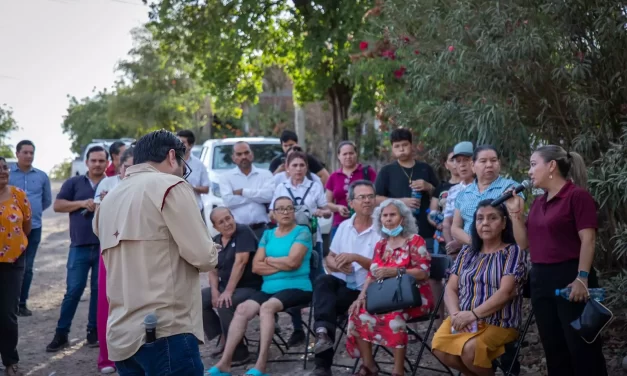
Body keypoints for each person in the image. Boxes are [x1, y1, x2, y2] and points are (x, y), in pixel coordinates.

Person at [93, 130, 218, 375]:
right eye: (183, 165)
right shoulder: (170, 184)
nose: (183, 171)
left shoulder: (108, 200)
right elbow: (204, 257)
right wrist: (212, 248)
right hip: (166, 330)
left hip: (121, 335)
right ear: (173, 156)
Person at [506, 145, 607, 376]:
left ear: (551, 166)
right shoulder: (539, 202)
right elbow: (524, 244)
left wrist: (582, 278)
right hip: (541, 279)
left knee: (581, 348)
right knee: (553, 348)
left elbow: (588, 239)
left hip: (570, 275)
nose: (529, 171)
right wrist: (515, 215)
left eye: (533, 164)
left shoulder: (577, 196)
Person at [207, 196, 313, 376]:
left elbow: (294, 263)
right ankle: (225, 363)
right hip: (268, 289)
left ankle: (260, 365)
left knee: (267, 308)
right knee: (241, 309)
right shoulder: (268, 234)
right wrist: (282, 264)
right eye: (281, 209)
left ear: (294, 212)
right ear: (273, 214)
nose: (286, 212)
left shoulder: (302, 232)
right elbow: (256, 266)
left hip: (298, 287)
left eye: (289, 208)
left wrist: (270, 261)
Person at [432, 200, 527, 376]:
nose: (485, 223)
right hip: (463, 319)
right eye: (480, 218)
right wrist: (455, 315)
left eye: (492, 218)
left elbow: (506, 292)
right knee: (440, 347)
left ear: (504, 223)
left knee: (470, 350)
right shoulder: (467, 252)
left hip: (499, 322)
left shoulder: (513, 252)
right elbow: (451, 288)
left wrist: (473, 314)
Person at [345, 199, 434, 376]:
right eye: (384, 216)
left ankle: (398, 371)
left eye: (392, 215)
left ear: (403, 218)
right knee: (357, 312)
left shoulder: (414, 241)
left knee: (394, 317)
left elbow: (423, 273)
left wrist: (395, 271)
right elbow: (372, 274)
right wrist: (361, 297)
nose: (388, 219)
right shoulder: (381, 245)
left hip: (413, 298)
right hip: (386, 297)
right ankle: (369, 366)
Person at [310, 180, 380, 376]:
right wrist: (335, 263)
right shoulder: (344, 227)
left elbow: (384, 266)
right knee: (323, 282)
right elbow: (330, 257)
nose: (367, 201)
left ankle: (322, 365)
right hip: (344, 287)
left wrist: (356, 258)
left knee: (327, 305)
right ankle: (322, 333)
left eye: (370, 196)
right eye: (362, 197)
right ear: (351, 203)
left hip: (369, 292)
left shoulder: (382, 228)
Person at [46, 145, 108, 352]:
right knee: (73, 291)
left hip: (104, 247)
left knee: (99, 292)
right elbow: (58, 206)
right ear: (87, 162)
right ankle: (61, 334)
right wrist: (82, 203)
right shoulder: (74, 182)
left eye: (101, 160)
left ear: (107, 162)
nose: (98, 164)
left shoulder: (113, 184)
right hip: (79, 246)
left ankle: (93, 333)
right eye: (94, 160)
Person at [271, 151, 332, 346]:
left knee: (318, 280)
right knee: (292, 282)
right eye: (294, 165)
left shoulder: (315, 186)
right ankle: (297, 329)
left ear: (307, 167)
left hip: (313, 243)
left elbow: (326, 209)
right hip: (288, 242)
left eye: (302, 165)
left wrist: (319, 212)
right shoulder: (281, 186)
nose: (298, 169)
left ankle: (321, 327)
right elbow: (272, 213)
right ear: (287, 168)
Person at [202, 207, 263, 365]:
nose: (227, 223)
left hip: (250, 287)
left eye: (228, 218)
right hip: (225, 287)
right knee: (199, 299)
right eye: (221, 222)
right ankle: (224, 338)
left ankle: (239, 352)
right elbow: (212, 269)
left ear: (233, 217)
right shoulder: (216, 241)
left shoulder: (243, 232)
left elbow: (241, 263)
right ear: (215, 227)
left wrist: (228, 291)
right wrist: (215, 291)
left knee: (225, 303)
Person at [93, 147, 133, 374]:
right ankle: (106, 358)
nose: (130, 171)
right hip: (110, 249)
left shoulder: (144, 184)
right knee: (107, 302)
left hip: (136, 250)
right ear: (119, 165)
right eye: (127, 166)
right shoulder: (107, 185)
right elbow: (99, 224)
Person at [374, 128, 440, 251]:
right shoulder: (386, 171)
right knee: (399, 268)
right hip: (397, 234)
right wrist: (401, 202)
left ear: (411, 145)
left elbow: (440, 195)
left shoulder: (425, 168)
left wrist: (429, 187)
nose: (401, 149)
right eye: (397, 146)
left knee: (428, 266)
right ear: (392, 149)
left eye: (405, 145)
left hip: (425, 230)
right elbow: (376, 199)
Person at [9, 140, 52, 317]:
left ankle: (21, 303)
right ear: (17, 153)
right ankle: (8, 303)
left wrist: (31, 214)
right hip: (10, 229)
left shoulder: (42, 176)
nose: (28, 156)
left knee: (27, 266)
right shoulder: (8, 174)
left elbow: (46, 200)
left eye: (31, 153)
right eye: (25, 152)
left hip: (34, 227)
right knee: (8, 265)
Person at [451, 145, 521, 246]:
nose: (489, 165)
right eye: (483, 161)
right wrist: (474, 243)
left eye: (493, 160)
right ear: (472, 166)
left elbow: (518, 222)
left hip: (502, 251)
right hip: (471, 252)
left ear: (499, 164)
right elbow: (455, 228)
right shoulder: (463, 194)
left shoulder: (511, 188)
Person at [0, 156, 32, 376]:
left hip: (13, 262)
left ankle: (11, 361)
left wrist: (13, 245)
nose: (3, 171)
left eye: (4, 168)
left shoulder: (19, 195)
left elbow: (26, 225)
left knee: (8, 315)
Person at [219, 141, 275, 238]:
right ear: (233, 158)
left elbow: (269, 196)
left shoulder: (265, 174)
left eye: (246, 153)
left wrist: (242, 192)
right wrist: (257, 197)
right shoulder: (226, 177)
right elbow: (228, 201)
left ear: (252, 155)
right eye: (239, 154)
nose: (243, 157)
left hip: (262, 229)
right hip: (238, 231)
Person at [325, 141, 377, 238]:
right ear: (338, 156)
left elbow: (377, 196)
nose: (348, 156)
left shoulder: (367, 172)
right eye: (344, 154)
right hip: (339, 224)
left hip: (366, 224)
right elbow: (327, 203)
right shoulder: (334, 176)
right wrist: (338, 208)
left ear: (356, 154)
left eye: (351, 153)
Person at [442, 141, 475, 257]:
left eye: (466, 160)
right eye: (458, 161)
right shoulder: (453, 191)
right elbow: (447, 223)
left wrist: (461, 242)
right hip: (459, 253)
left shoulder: (484, 187)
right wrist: (451, 246)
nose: (462, 165)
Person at [177, 129, 211, 221]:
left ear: (191, 145)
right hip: (176, 212)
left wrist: (191, 187)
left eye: (183, 142)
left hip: (195, 211)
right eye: (177, 142)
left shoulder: (199, 165)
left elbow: (206, 188)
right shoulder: (170, 163)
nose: (179, 145)